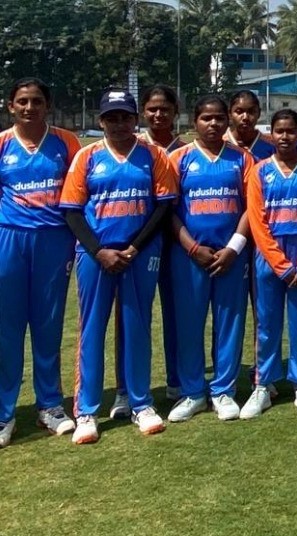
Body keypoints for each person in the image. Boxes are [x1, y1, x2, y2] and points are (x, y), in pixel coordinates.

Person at [60, 88, 178, 444]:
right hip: (96, 255)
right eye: (112, 117)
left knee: (138, 325)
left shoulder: (153, 156)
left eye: (125, 116)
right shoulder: (87, 156)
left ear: (135, 119)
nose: (119, 123)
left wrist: (133, 248)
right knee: (92, 328)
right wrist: (99, 251)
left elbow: (162, 206)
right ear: (101, 121)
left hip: (139, 253)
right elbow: (71, 209)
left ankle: (140, 403)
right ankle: (86, 412)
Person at [0, 77, 81, 447]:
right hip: (9, 240)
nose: (29, 107)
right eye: (22, 101)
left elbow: (80, 191)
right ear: (10, 105)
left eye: (35, 101)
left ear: (46, 105)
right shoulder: (2, 144)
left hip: (54, 242)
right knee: (7, 328)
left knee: (48, 326)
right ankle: (4, 413)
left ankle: (50, 405)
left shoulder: (66, 143)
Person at [166, 95, 252, 423]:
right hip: (190, 257)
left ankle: (224, 390)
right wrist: (191, 247)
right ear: (194, 123)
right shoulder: (179, 159)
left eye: (219, 118)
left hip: (230, 256)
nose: (213, 124)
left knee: (229, 323)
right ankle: (193, 393)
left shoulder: (241, 159)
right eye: (206, 118)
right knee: (189, 324)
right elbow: (169, 211)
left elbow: (250, 208)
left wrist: (234, 248)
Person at [242, 109, 297, 419]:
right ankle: (263, 384)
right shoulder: (260, 170)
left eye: (291, 130)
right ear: (271, 134)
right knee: (267, 322)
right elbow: (257, 220)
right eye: (279, 131)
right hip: (270, 253)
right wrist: (279, 263)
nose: (285, 136)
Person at [129, 84, 186, 414]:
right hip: (140, 244)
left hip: (175, 243)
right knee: (134, 314)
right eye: (152, 109)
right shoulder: (134, 147)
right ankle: (127, 387)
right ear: (143, 113)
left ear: (176, 112)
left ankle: (177, 380)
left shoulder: (184, 150)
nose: (158, 114)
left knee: (177, 313)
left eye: (165, 109)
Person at [225, 90, 276, 162]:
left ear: (259, 113)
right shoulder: (220, 144)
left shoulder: (271, 147)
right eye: (239, 112)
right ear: (230, 114)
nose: (245, 117)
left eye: (251, 112)